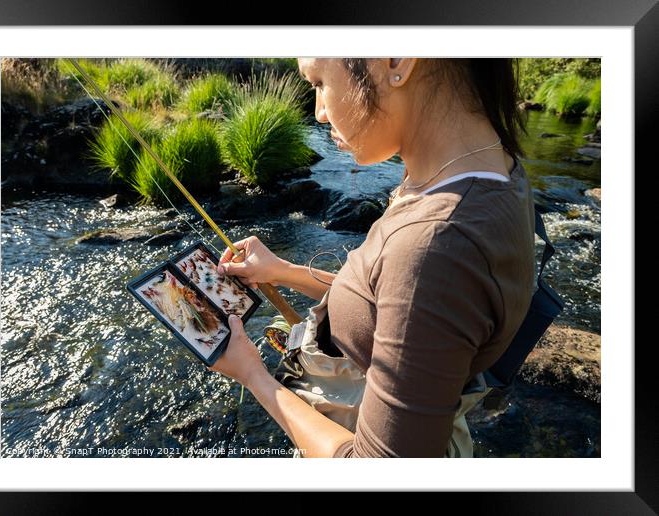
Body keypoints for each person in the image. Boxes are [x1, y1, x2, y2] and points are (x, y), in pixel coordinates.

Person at [207, 58, 536, 458]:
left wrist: (254, 376)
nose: (319, 113)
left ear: (396, 60)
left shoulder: (437, 244)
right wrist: (283, 271)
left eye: (319, 82)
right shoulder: (481, 169)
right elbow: (390, 298)